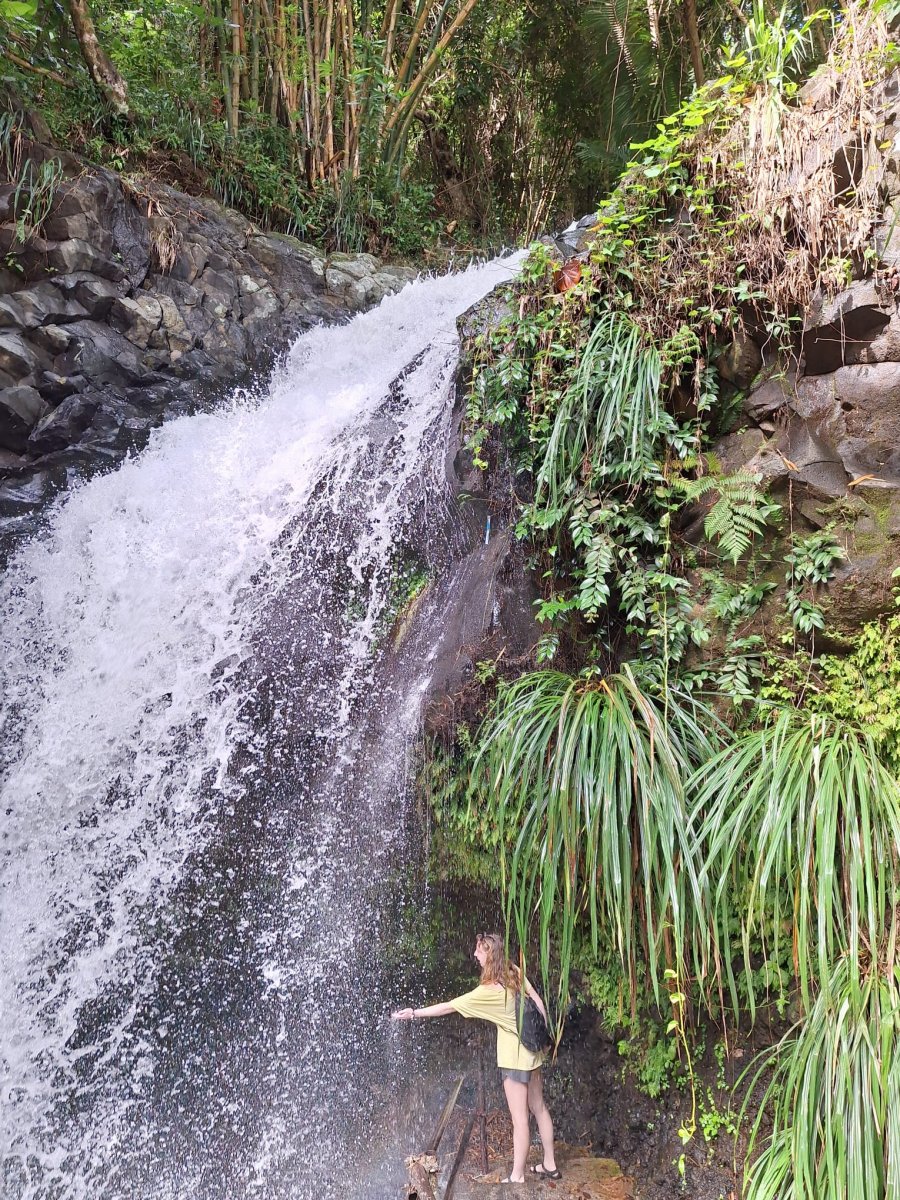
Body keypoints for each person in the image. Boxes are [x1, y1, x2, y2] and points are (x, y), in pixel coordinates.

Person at [391, 931, 560, 1184]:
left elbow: (449, 1006)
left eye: (479, 951)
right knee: (540, 1108)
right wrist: (544, 1035)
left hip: (514, 1061)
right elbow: (536, 999)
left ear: (488, 954)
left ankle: (517, 1177)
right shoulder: (512, 971)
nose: (474, 955)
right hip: (533, 1052)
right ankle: (550, 1164)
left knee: (519, 1120)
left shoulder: (487, 991)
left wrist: (414, 1013)